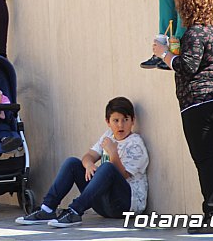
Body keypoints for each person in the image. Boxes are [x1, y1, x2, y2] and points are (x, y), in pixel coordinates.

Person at [152, 0, 213, 234]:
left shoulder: (195, 31)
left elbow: (187, 67)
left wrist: (163, 54)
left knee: (205, 160)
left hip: (199, 102)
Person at [15, 97, 149, 228]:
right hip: (103, 206)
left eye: (125, 120)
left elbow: (123, 175)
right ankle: (47, 209)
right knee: (72, 163)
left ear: (133, 121)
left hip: (125, 206)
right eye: (116, 120)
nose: (120, 125)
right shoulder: (108, 136)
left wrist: (113, 153)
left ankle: (75, 211)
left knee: (107, 168)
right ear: (108, 122)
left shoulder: (135, 144)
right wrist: (89, 164)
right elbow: (89, 155)